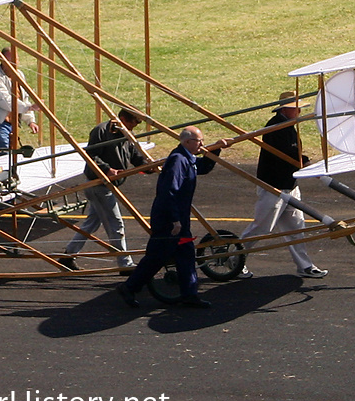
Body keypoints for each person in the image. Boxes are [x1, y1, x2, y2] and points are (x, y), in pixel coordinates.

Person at [117, 127, 224, 309]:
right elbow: (168, 192)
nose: (202, 144)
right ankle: (129, 287)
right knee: (157, 256)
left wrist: (217, 149)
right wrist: (175, 220)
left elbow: (203, 167)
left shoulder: (186, 158)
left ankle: (190, 294)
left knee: (186, 254)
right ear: (187, 142)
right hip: (168, 219)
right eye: (199, 141)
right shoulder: (178, 161)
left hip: (179, 217)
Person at [238, 91, 327, 279]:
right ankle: (234, 261)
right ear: (286, 109)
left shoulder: (288, 126)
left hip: (290, 185)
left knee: (297, 228)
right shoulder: (275, 127)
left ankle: (305, 265)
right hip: (274, 186)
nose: (299, 112)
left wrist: (304, 163)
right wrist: (306, 163)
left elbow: (293, 154)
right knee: (261, 228)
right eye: (297, 108)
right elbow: (286, 154)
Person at [62, 108, 148, 270]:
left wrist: (148, 166)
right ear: (122, 118)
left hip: (108, 185)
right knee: (116, 224)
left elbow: (135, 157)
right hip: (98, 185)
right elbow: (90, 156)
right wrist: (107, 169)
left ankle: (68, 255)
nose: (132, 128)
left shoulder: (126, 134)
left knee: (91, 224)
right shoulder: (100, 131)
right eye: (131, 123)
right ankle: (125, 264)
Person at [0, 47, 38, 154]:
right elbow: (4, 100)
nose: (15, 63)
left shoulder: (19, 75)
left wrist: (30, 121)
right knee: (4, 156)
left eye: (17, 59)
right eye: (11, 60)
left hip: (14, 123)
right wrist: (28, 108)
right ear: (2, 60)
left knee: (13, 156)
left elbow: (23, 98)